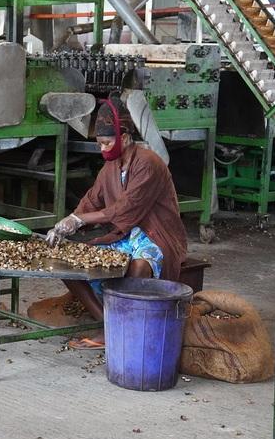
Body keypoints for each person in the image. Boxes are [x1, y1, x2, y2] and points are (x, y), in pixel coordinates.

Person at [45, 94, 187, 349]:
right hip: (124, 236)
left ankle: (124, 326)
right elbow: (92, 200)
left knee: (139, 266)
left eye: (107, 143)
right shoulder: (110, 167)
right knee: (68, 264)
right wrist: (67, 222)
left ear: (126, 137)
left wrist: (79, 220)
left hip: (156, 236)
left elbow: (125, 209)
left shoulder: (149, 163)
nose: (103, 149)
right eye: (99, 144)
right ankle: (108, 323)